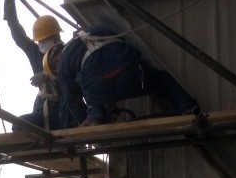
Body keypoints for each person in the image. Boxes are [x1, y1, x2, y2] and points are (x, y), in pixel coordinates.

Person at [57, 25, 201, 127]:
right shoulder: (98, 28)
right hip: (133, 73)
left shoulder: (64, 61)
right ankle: (187, 108)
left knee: (92, 94)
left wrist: (84, 121)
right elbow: (115, 59)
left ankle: (97, 117)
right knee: (161, 80)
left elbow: (73, 99)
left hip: (98, 88)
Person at [3, 0, 76, 130]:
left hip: (66, 108)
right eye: (40, 41)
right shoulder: (36, 53)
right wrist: (9, 1)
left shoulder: (69, 51)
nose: (42, 43)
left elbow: (74, 80)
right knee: (19, 126)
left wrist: (48, 75)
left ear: (56, 37)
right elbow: (17, 33)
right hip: (42, 107)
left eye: (45, 40)